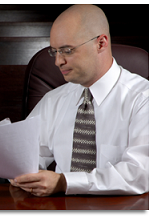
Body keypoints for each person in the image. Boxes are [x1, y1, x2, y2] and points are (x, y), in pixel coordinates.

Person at [11, 4, 149, 196]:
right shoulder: (53, 100)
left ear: (101, 43)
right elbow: (24, 156)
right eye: (54, 51)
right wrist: (17, 169)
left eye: (67, 50)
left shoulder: (144, 99)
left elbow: (140, 174)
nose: (58, 61)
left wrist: (65, 182)